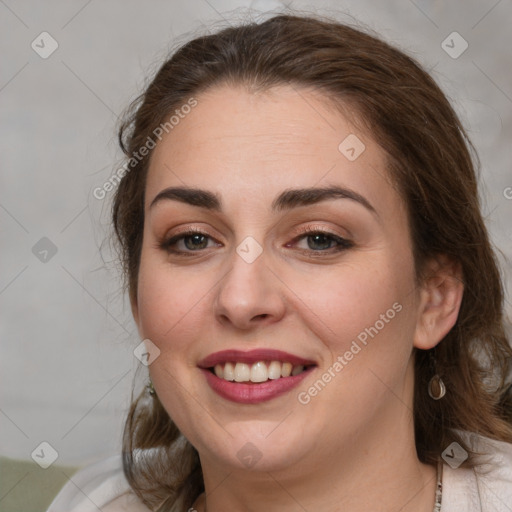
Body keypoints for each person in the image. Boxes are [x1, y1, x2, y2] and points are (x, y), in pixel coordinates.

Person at [47, 12, 512, 512]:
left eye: (317, 240)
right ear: (138, 292)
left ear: (434, 298)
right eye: (192, 240)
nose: (241, 299)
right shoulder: (95, 502)